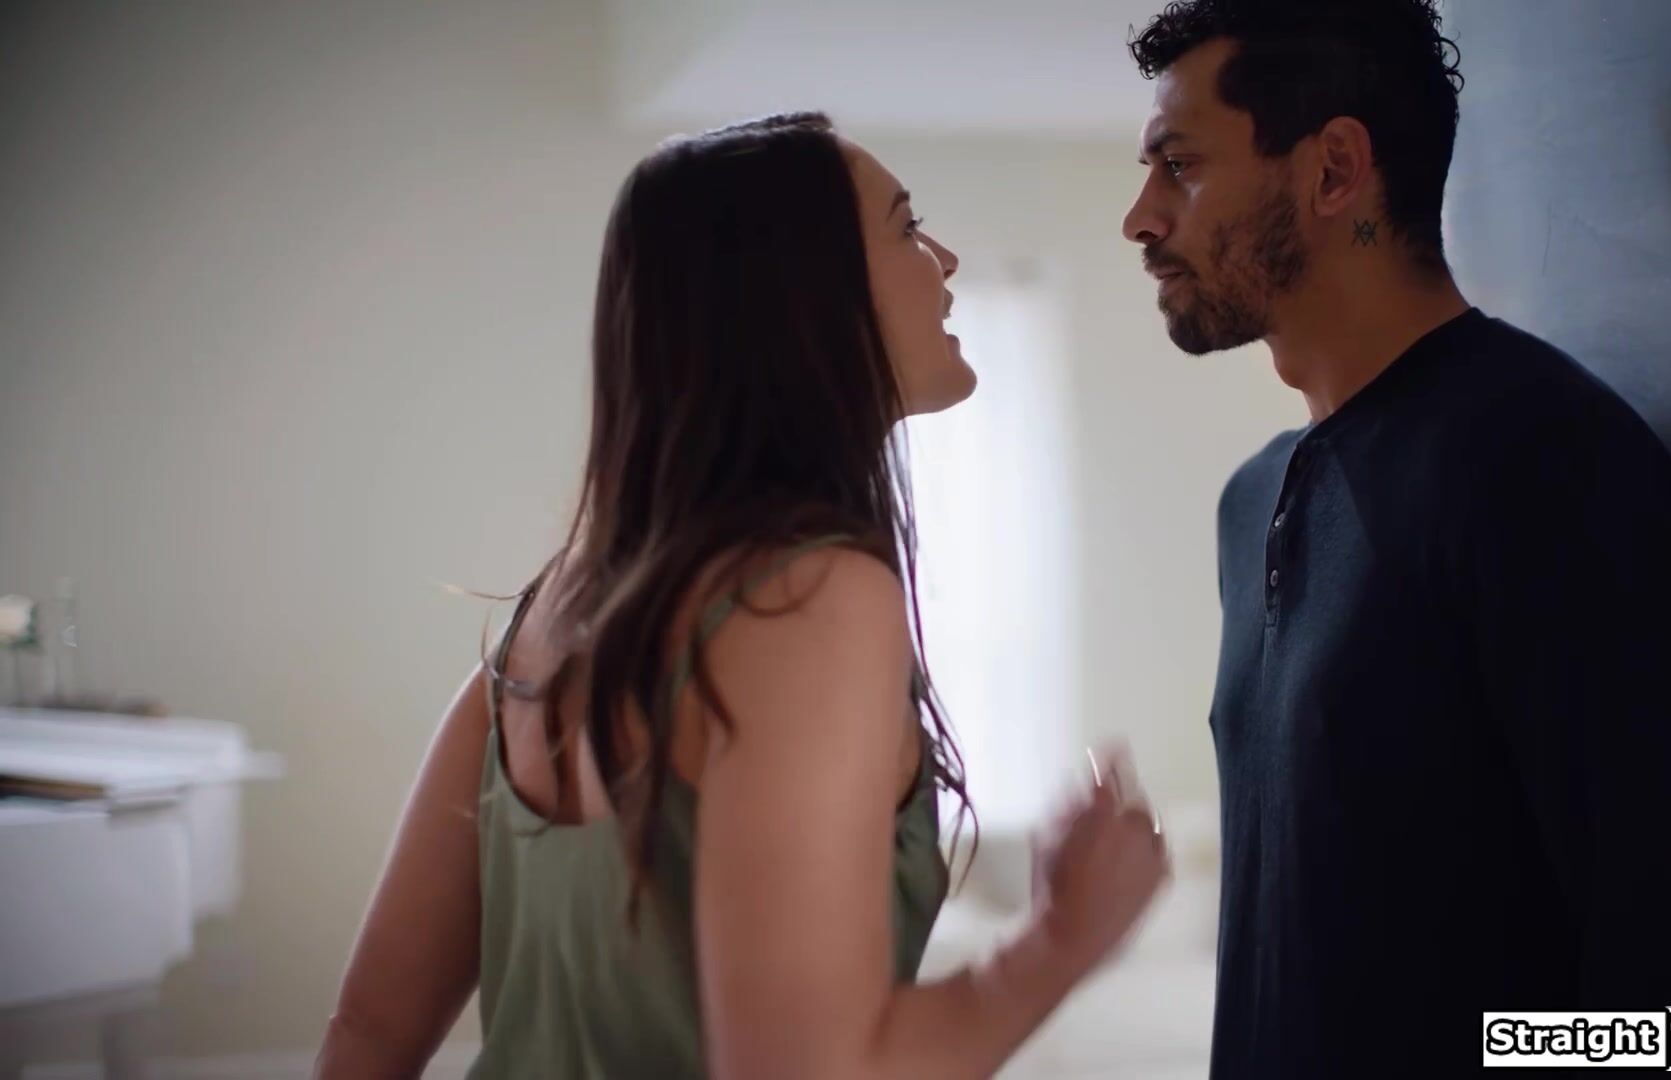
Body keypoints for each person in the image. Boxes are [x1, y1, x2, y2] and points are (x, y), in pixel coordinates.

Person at [317, 112, 1169, 1079]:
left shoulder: (548, 619)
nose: (945, 259)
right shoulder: (808, 599)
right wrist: (1059, 942)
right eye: (906, 226)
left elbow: (366, 1034)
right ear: (800, 293)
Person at [1118, 2, 1671, 1075]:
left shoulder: (1546, 460)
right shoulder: (1253, 501)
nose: (1140, 219)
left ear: (1334, 171)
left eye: (1179, 166)